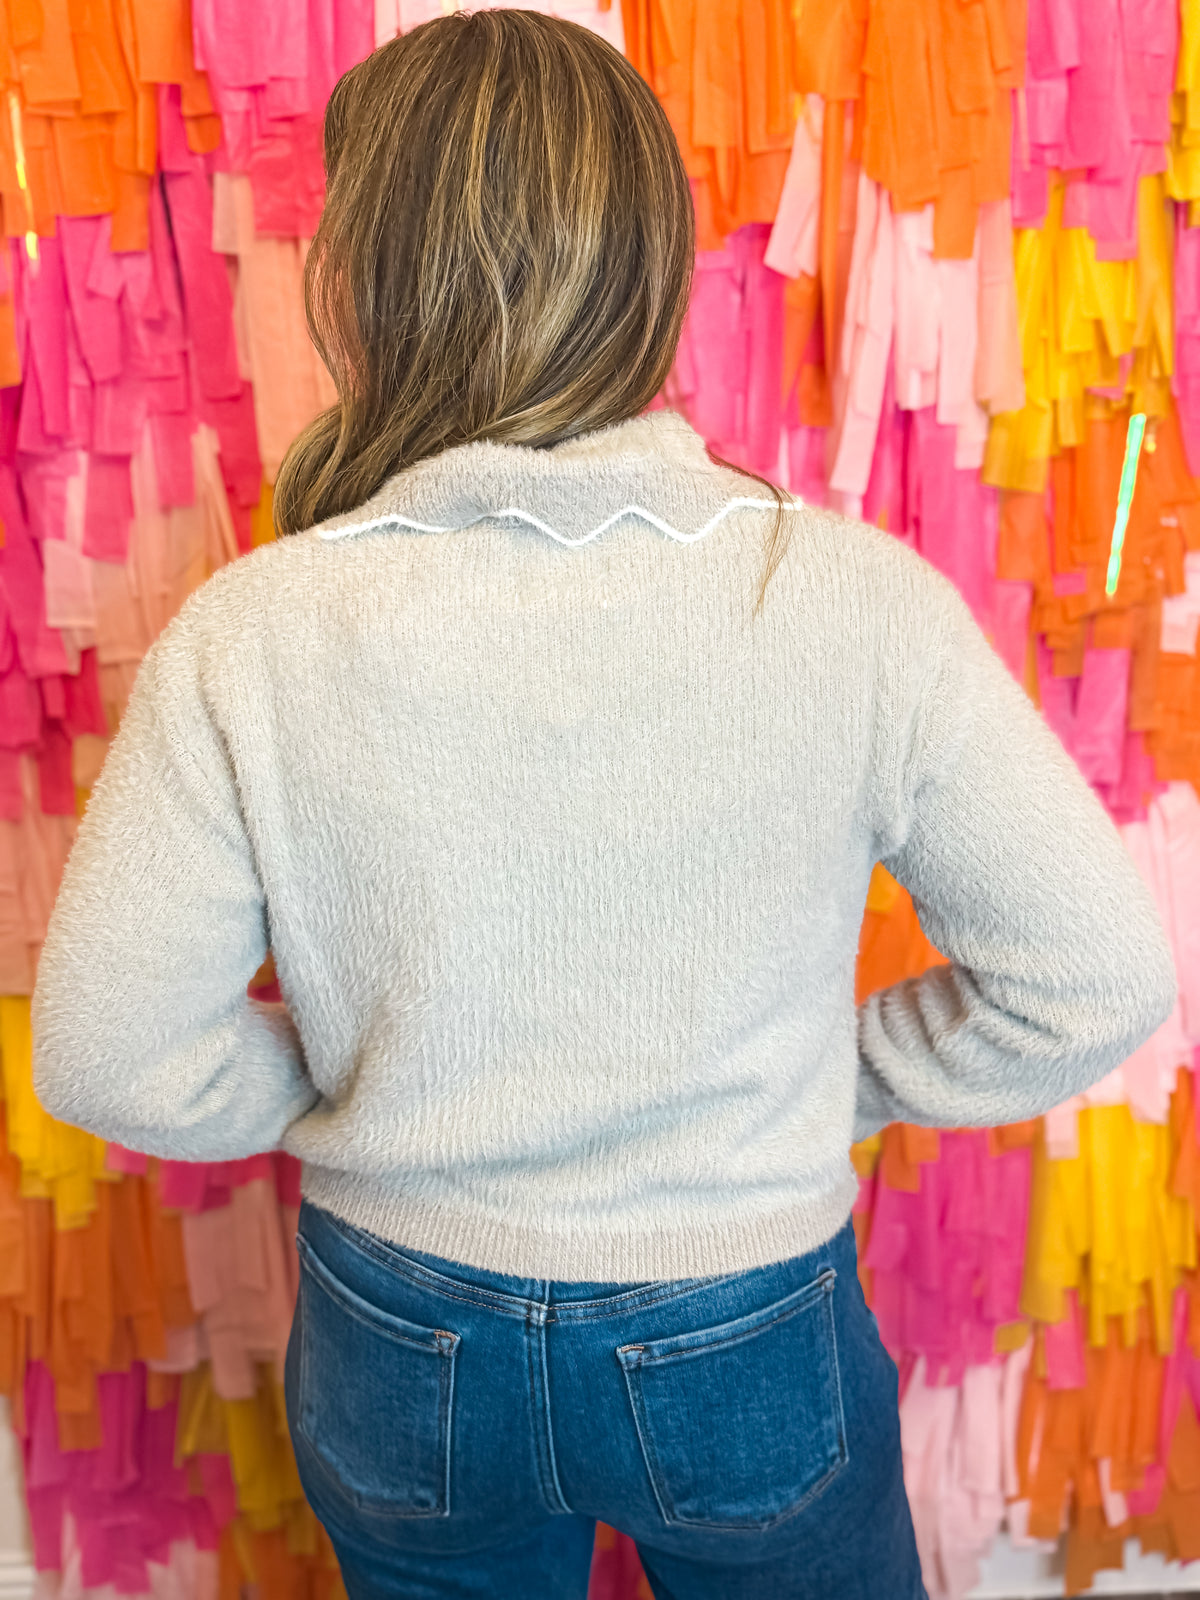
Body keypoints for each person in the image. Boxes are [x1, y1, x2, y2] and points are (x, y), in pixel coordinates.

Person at [32, 11, 1175, 1599]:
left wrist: (359, 1104)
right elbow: (1098, 979)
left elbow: (108, 1050)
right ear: (654, 267)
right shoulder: (845, 600)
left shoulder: (256, 627)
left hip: (401, 1325)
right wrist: (829, 1087)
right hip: (744, 1311)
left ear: (359, 285)